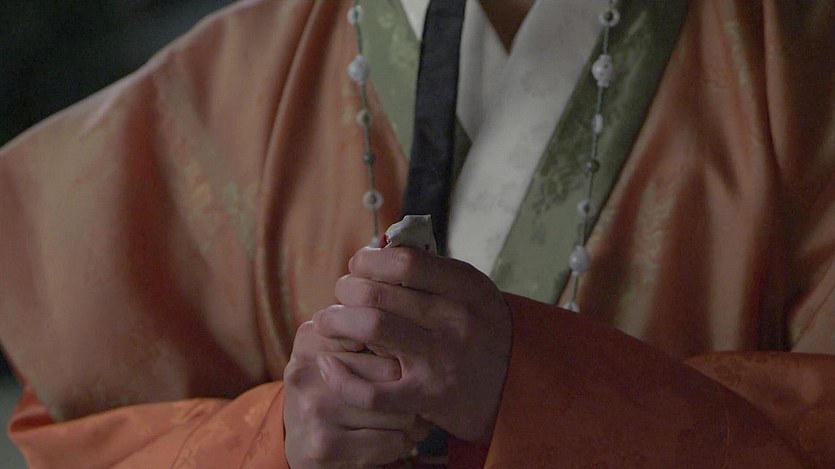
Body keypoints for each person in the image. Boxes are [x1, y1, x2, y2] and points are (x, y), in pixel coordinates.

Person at [1, 0, 834, 467]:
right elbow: (81, 436)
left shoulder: (797, 66)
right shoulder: (215, 100)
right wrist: (277, 440)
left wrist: (540, 395)